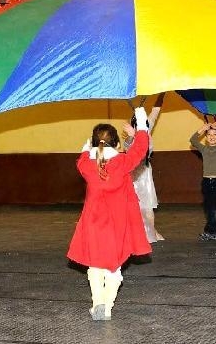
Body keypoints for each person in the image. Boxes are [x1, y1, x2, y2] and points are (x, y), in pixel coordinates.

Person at [67, 107, 152, 321]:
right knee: (113, 266)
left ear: (93, 142)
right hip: (117, 223)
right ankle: (108, 306)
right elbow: (141, 148)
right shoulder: (122, 162)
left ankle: (98, 303)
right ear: (117, 144)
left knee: (94, 265)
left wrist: (88, 147)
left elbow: (83, 156)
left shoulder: (85, 164)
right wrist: (141, 122)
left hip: (93, 222)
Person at [123, 94, 165, 243]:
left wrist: (162, 93)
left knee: (147, 205)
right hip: (134, 174)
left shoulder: (147, 128)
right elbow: (129, 149)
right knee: (134, 204)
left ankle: (150, 233)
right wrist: (132, 135)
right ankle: (134, 234)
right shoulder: (129, 138)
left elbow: (156, 110)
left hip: (145, 172)